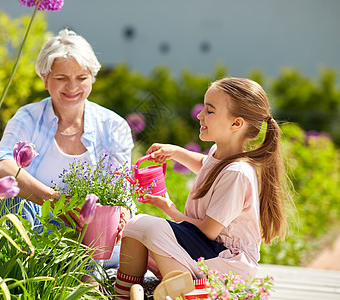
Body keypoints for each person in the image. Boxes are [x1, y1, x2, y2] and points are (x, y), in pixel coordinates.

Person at [114, 77, 291, 299]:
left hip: (226, 263)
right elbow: (205, 165)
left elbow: (208, 230)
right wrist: (175, 152)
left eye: (210, 111)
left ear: (236, 124)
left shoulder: (237, 173)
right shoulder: (221, 154)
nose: (200, 116)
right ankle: (123, 294)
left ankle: (188, 291)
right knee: (135, 228)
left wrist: (171, 210)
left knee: (145, 225)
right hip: (206, 248)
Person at [0, 29, 134, 269]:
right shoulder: (28, 117)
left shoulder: (114, 126)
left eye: (82, 78)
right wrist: (54, 200)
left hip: (89, 231)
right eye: (62, 78)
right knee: (11, 197)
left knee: (127, 224)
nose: (72, 86)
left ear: (92, 78)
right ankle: (20, 270)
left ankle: (86, 277)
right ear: (45, 79)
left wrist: (120, 212)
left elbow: (121, 189)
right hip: (34, 230)